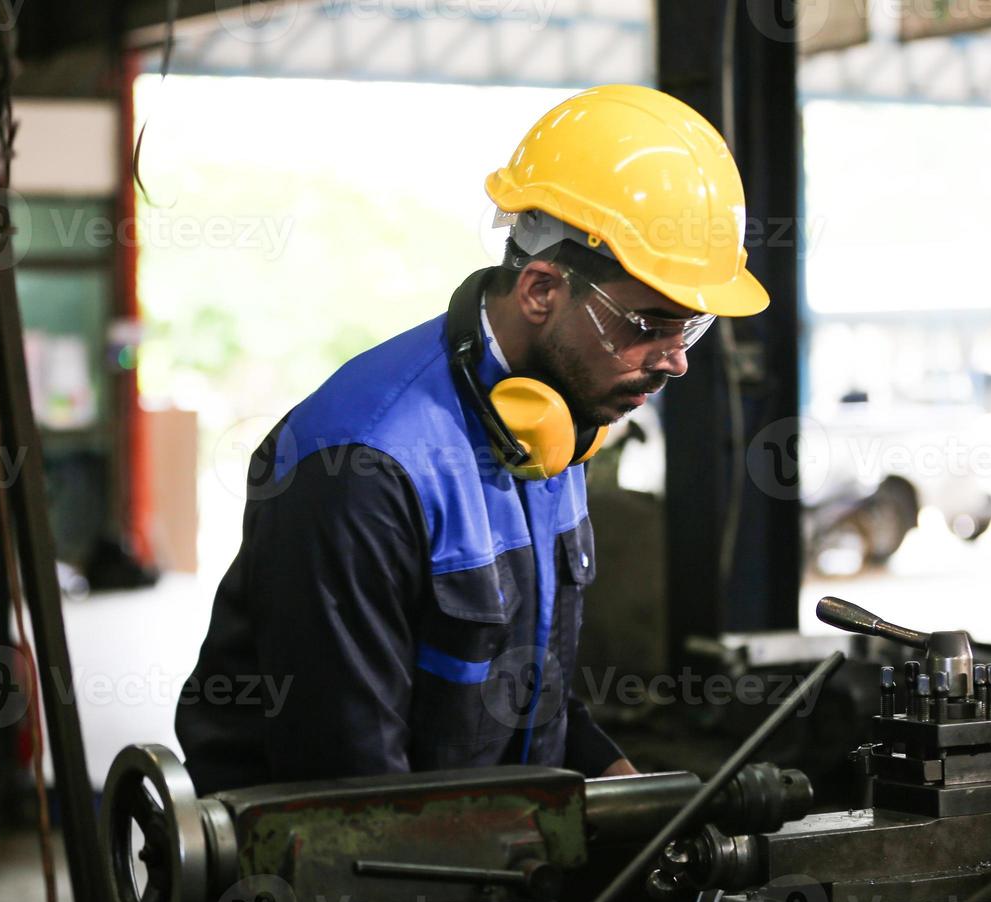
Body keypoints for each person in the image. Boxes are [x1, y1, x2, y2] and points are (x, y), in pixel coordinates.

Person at [175, 84, 769, 795]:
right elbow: (346, 792)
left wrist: (624, 787)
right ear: (542, 291)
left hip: (484, 850)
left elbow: (525, 692)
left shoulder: (557, 417)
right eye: (650, 325)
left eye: (691, 328)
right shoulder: (362, 468)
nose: (676, 361)